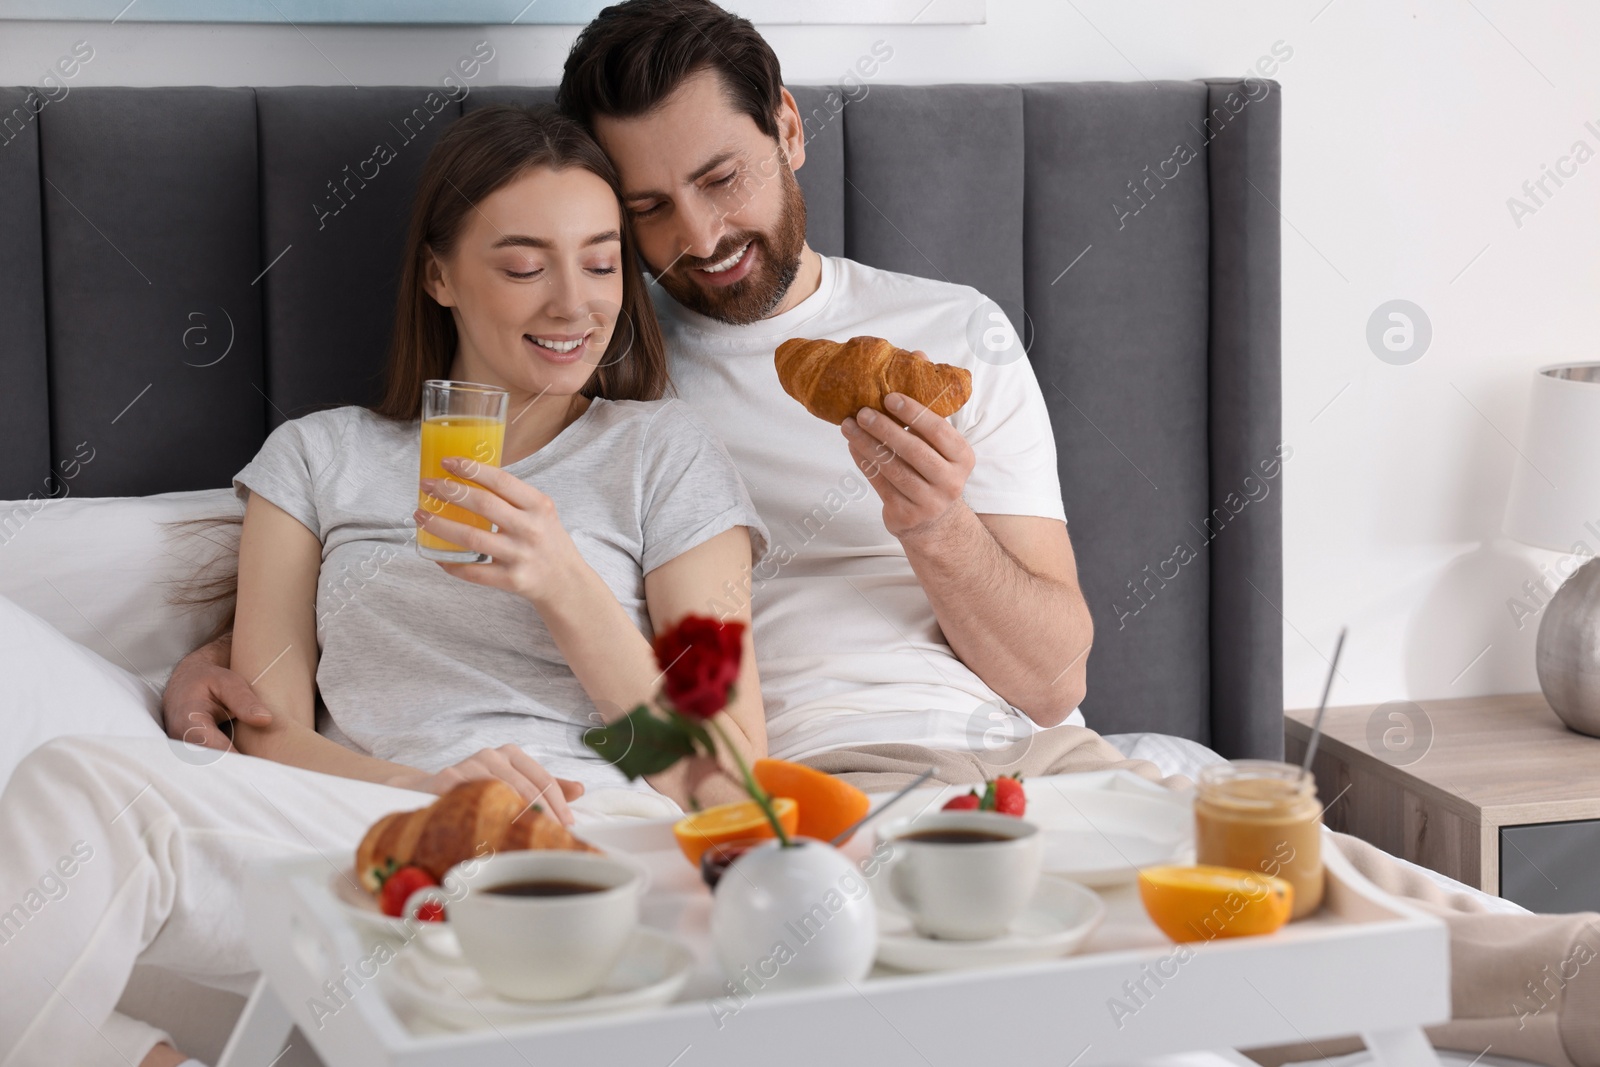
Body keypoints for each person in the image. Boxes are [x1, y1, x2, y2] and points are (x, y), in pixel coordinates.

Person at [158, 3, 1599, 1065]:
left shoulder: (945, 333)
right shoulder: (602, 360)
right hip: (814, 779)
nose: (690, 239)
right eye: (642, 213)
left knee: (1326, 912)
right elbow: (449, 535)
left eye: (721, 178)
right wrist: (232, 638)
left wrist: (939, 528)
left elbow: (1047, 673)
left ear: (788, 126)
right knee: (1232, 976)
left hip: (1030, 745)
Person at [0, 103, 770, 1067]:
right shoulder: (319, 457)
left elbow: (730, 769)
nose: (575, 304)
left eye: (603, 262)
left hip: (584, 840)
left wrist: (565, 584)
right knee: (74, 800)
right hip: (364, 822)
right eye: (526, 265)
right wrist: (432, 792)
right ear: (439, 275)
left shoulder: (663, 452)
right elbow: (266, 733)